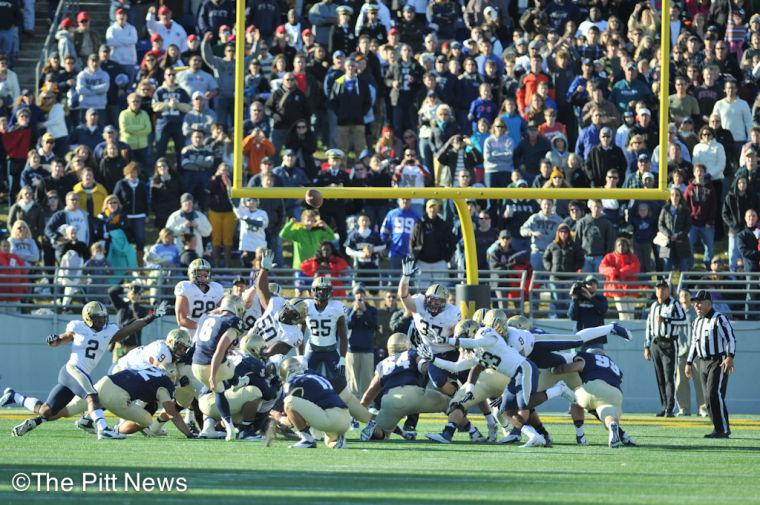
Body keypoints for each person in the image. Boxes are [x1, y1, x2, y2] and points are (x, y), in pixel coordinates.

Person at [2, 300, 166, 438]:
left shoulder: (109, 331)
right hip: (73, 370)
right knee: (92, 396)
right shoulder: (78, 327)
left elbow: (132, 327)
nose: (102, 321)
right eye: (98, 318)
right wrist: (54, 340)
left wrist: (153, 316)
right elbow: (61, 339)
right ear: (88, 318)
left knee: (47, 411)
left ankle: (14, 396)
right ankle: (103, 429)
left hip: (78, 375)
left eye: (103, 318)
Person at [359, 333, 448, 441]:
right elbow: (424, 367)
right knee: (449, 403)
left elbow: (370, 392)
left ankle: (375, 430)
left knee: (382, 434)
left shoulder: (382, 364)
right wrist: (436, 364)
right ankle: (460, 429)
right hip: (413, 395)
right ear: (407, 344)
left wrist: (360, 409)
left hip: (389, 401)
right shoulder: (413, 353)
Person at [397, 257, 461, 396]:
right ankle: (457, 398)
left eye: (437, 302)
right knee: (437, 381)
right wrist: (405, 277)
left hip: (451, 352)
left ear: (444, 303)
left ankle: (479, 408)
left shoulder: (451, 313)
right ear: (425, 298)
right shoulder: (419, 303)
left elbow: (458, 336)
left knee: (470, 380)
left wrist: (450, 339)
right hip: (430, 353)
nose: (433, 304)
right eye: (431, 300)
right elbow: (403, 295)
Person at [550, 349, 632, 448]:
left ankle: (580, 435)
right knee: (608, 415)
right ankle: (613, 427)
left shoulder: (588, 358)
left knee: (575, 396)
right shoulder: (614, 365)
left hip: (593, 387)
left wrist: (555, 370)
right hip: (615, 394)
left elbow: (573, 367)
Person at [191, 295, 245, 441]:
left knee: (219, 391)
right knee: (234, 363)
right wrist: (213, 375)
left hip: (195, 365)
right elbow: (219, 351)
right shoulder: (233, 321)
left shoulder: (205, 317)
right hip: (214, 365)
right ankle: (237, 382)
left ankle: (229, 428)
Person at [685, 290, 737, 438]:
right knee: (707, 398)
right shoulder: (697, 321)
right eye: (695, 303)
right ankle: (718, 428)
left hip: (718, 361)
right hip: (702, 362)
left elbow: (731, 339)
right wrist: (689, 362)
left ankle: (723, 430)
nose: (697, 305)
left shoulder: (719, 318)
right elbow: (694, 344)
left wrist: (730, 357)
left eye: (700, 302)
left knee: (714, 394)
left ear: (709, 303)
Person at [279, 357, 351, 449]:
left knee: (289, 402)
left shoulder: (293, 381)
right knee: (329, 442)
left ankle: (307, 440)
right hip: (345, 419)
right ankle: (338, 442)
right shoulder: (316, 376)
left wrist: (280, 418)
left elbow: (291, 416)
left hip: (330, 418)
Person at [644, 278, 688, 417]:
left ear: (669, 290)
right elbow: (649, 326)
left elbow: (683, 320)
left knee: (670, 377)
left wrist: (667, 319)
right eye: (658, 288)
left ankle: (670, 408)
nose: (660, 291)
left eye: (663, 288)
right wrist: (647, 345)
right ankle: (664, 406)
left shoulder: (674, 304)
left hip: (669, 343)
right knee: (660, 377)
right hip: (656, 343)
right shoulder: (653, 306)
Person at [674, 289, 706, 417]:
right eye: (682, 295)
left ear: (691, 297)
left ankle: (703, 409)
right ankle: (684, 408)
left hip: (697, 353)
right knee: (681, 382)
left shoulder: (697, 312)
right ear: (679, 298)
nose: (684, 297)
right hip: (681, 352)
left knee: (700, 381)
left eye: (686, 295)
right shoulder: (675, 313)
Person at [173, 258, 224, 337]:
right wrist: (202, 327)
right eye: (199, 273)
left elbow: (224, 311)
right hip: (189, 334)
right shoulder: (185, 287)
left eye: (205, 273)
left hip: (209, 333)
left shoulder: (217, 288)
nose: (203, 276)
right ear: (192, 273)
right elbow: (181, 319)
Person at [410, 199, 456, 286]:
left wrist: (447, 258)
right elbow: (412, 242)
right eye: (430, 207)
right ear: (426, 209)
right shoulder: (419, 224)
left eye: (435, 207)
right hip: (422, 263)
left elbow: (452, 243)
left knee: (440, 293)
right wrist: (415, 257)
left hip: (440, 263)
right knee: (422, 292)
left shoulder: (443, 224)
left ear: (438, 209)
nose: (432, 210)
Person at [346, 285, 377, 398]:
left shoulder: (372, 310)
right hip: (352, 350)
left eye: (361, 293)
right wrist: (354, 311)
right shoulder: (349, 310)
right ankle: (354, 407)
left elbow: (374, 326)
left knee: (367, 380)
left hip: (367, 349)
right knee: (353, 381)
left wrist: (364, 310)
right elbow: (348, 324)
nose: (359, 296)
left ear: (365, 295)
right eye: (357, 293)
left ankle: (367, 404)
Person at [599, 237, 641, 321]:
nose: (621, 247)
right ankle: (624, 331)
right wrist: (613, 271)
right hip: (617, 290)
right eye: (619, 245)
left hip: (631, 289)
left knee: (630, 313)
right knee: (622, 314)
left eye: (624, 245)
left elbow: (636, 267)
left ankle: (631, 330)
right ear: (616, 246)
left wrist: (622, 272)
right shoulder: (609, 257)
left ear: (627, 246)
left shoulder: (633, 257)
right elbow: (602, 268)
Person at [165, 193, 212, 259]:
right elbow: (168, 233)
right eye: (186, 203)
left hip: (197, 250)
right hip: (180, 251)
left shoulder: (200, 216)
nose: (188, 205)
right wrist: (183, 226)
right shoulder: (174, 216)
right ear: (181, 204)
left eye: (190, 203)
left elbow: (208, 232)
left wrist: (197, 226)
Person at [658, 187, 693, 272]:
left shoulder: (685, 210)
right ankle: (666, 285)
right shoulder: (665, 209)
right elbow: (660, 224)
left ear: (680, 197)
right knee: (667, 266)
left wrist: (678, 235)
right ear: (669, 196)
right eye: (672, 195)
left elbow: (688, 226)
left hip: (681, 242)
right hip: (667, 242)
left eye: (677, 195)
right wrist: (669, 235)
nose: (675, 197)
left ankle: (684, 285)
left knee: (683, 266)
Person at [575, 199, 616, 273]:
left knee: (599, 281)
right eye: (594, 206)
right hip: (585, 257)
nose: (596, 209)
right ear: (590, 208)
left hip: (600, 258)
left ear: (602, 208)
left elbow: (610, 242)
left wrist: (606, 257)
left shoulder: (607, 223)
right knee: (586, 282)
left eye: (598, 207)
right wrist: (579, 256)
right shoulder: (582, 222)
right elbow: (577, 240)